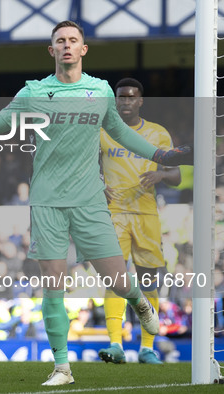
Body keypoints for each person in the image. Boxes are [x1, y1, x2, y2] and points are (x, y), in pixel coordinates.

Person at [0, 21, 192, 385]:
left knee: (118, 281)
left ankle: (140, 301)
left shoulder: (100, 91)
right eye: (60, 41)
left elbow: (120, 133)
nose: (67, 46)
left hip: (89, 201)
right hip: (47, 202)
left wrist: (161, 155)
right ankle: (62, 368)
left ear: (83, 49)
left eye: (73, 41)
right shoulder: (35, 92)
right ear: (51, 50)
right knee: (53, 285)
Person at [98, 78, 181, 365]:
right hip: (114, 214)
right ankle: (115, 344)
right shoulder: (103, 131)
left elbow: (177, 176)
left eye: (131, 97)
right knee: (115, 278)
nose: (125, 102)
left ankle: (147, 348)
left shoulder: (157, 134)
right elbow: (83, 164)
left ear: (140, 101)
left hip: (146, 215)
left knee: (148, 281)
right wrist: (97, 182)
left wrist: (161, 175)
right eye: (121, 97)